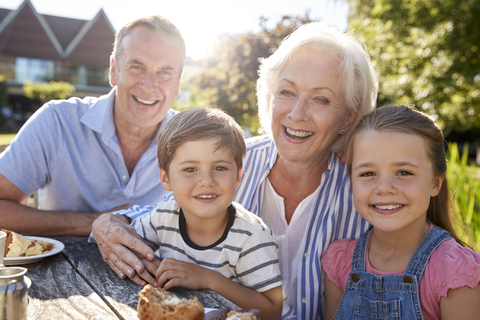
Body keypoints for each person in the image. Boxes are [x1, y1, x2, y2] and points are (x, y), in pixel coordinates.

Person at [92, 22, 379, 319]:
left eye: (321, 99)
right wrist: (108, 223)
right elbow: (158, 214)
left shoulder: (365, 189)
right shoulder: (230, 161)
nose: (297, 114)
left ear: (349, 116)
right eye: (287, 92)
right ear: (269, 97)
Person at [0, 16, 184, 241]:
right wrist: (95, 221)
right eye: (137, 67)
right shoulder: (57, 121)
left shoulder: (190, 142)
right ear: (114, 71)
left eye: (165, 73)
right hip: (61, 272)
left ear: (177, 84)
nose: (149, 85)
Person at [322, 105, 480, 320]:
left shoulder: (454, 272)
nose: (384, 187)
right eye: (368, 173)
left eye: (404, 172)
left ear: (435, 183)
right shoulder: (339, 261)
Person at [126, 106, 283, 319]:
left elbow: (273, 310)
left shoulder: (251, 237)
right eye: (190, 169)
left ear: (237, 177)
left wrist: (207, 279)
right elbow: (130, 242)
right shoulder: (162, 217)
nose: (206, 181)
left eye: (219, 168)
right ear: (165, 178)